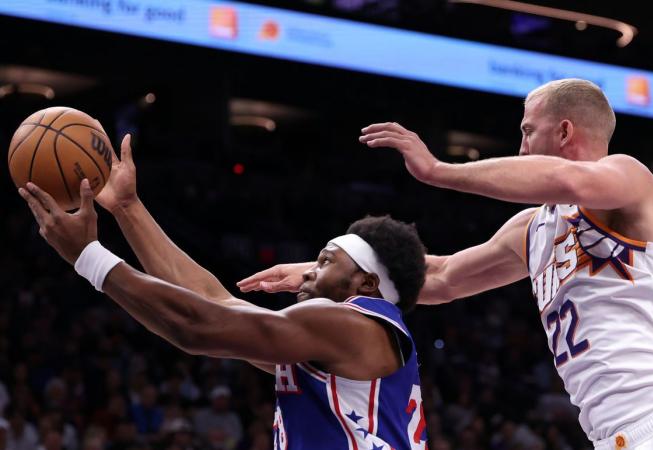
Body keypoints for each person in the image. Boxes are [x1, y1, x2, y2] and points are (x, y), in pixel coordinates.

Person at [240, 78, 653, 450]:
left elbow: (569, 178)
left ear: (564, 132)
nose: (520, 147)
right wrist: (315, 271)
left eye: (526, 130)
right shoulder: (532, 228)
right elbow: (441, 278)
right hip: (611, 433)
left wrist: (438, 170)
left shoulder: (628, 177)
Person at [17, 140, 430, 449]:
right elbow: (213, 302)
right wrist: (127, 208)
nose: (307, 271)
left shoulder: (350, 324)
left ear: (367, 283)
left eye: (324, 261)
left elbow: (196, 327)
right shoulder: (346, 343)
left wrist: (88, 256)